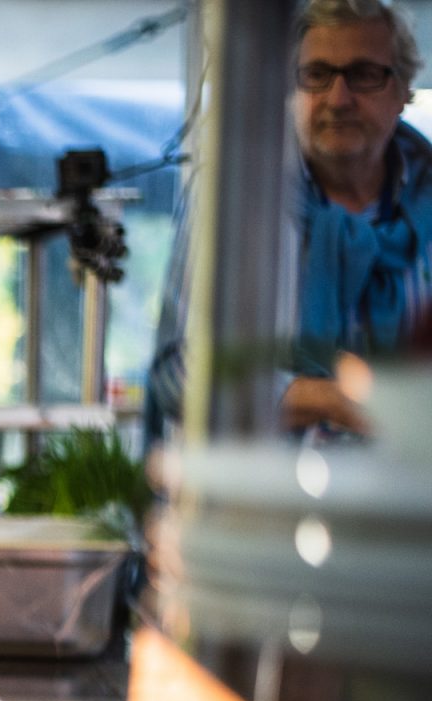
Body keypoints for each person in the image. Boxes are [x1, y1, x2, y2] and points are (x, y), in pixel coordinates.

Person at [147, 0, 430, 440]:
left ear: (404, 90)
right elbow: (179, 374)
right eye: (316, 74)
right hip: (261, 497)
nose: (339, 98)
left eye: (364, 74)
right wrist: (334, 400)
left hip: (409, 499)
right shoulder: (236, 194)